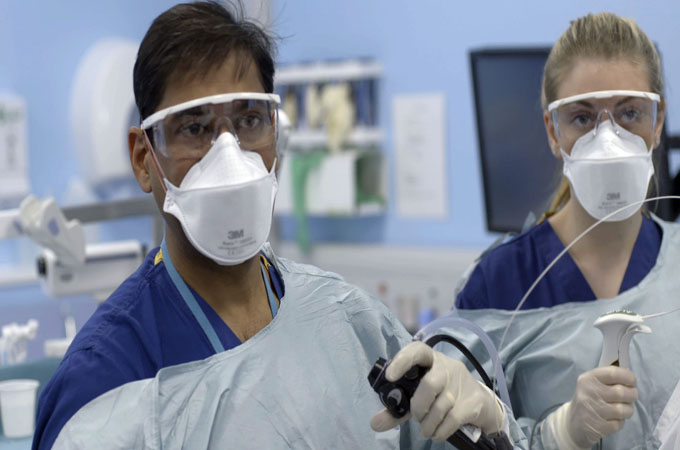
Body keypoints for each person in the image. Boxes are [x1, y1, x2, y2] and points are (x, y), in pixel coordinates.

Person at [34, 2, 524, 449]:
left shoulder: (349, 320)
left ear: (275, 133)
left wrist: (489, 424)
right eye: (195, 128)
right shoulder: (105, 378)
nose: (229, 156)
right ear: (144, 158)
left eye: (249, 120)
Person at [453, 12, 680, 449]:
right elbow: (452, 436)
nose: (608, 140)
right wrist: (561, 433)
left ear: (657, 123)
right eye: (582, 118)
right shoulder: (499, 284)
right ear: (552, 132)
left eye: (630, 113)